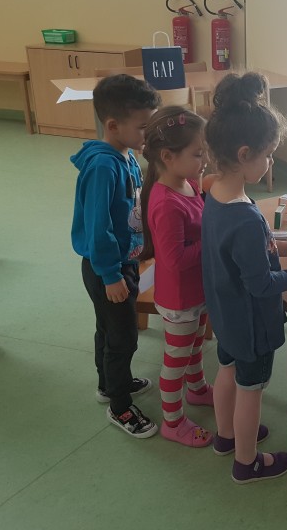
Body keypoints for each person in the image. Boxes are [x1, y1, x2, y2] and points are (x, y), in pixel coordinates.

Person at [201, 72, 287, 483]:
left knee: (226, 371)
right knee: (251, 389)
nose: (272, 162)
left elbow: (246, 253)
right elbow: (261, 285)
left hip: (225, 314)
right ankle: (247, 461)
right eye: (269, 154)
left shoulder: (216, 194)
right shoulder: (243, 217)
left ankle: (226, 437)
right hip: (252, 323)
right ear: (244, 154)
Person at [71, 74, 161, 439]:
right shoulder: (103, 167)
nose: (148, 134)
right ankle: (120, 406)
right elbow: (99, 228)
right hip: (106, 268)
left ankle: (109, 384)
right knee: (123, 338)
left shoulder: (126, 155)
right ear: (112, 125)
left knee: (109, 330)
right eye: (143, 127)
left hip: (122, 262)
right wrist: (111, 275)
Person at [139, 105, 213, 448]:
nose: (205, 160)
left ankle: (197, 389)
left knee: (196, 345)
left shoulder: (188, 183)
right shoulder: (167, 203)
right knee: (175, 361)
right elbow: (174, 258)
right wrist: (212, 240)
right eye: (198, 154)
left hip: (197, 290)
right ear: (168, 157)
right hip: (180, 299)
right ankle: (173, 421)